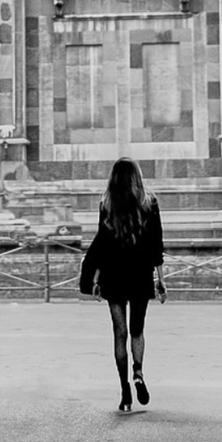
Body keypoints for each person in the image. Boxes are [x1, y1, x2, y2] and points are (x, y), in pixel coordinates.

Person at [83, 158, 166, 413]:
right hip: (140, 274)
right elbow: (156, 246)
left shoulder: (106, 204)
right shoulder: (149, 203)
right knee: (137, 330)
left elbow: (101, 245)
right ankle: (138, 373)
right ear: (137, 177)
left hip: (113, 275)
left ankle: (125, 391)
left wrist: (94, 279)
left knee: (119, 333)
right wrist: (161, 281)